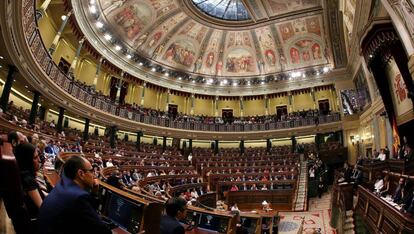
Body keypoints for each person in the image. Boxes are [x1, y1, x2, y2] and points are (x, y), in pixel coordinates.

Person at [38, 156, 111, 234]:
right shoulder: (78, 197)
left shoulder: (62, 186)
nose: (95, 175)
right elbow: (102, 230)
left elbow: (88, 211)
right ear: (81, 174)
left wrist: (94, 192)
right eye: (92, 171)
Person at [14, 143, 44, 220]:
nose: (39, 160)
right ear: (26, 160)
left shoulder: (23, 173)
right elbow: (43, 208)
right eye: (35, 158)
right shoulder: (28, 180)